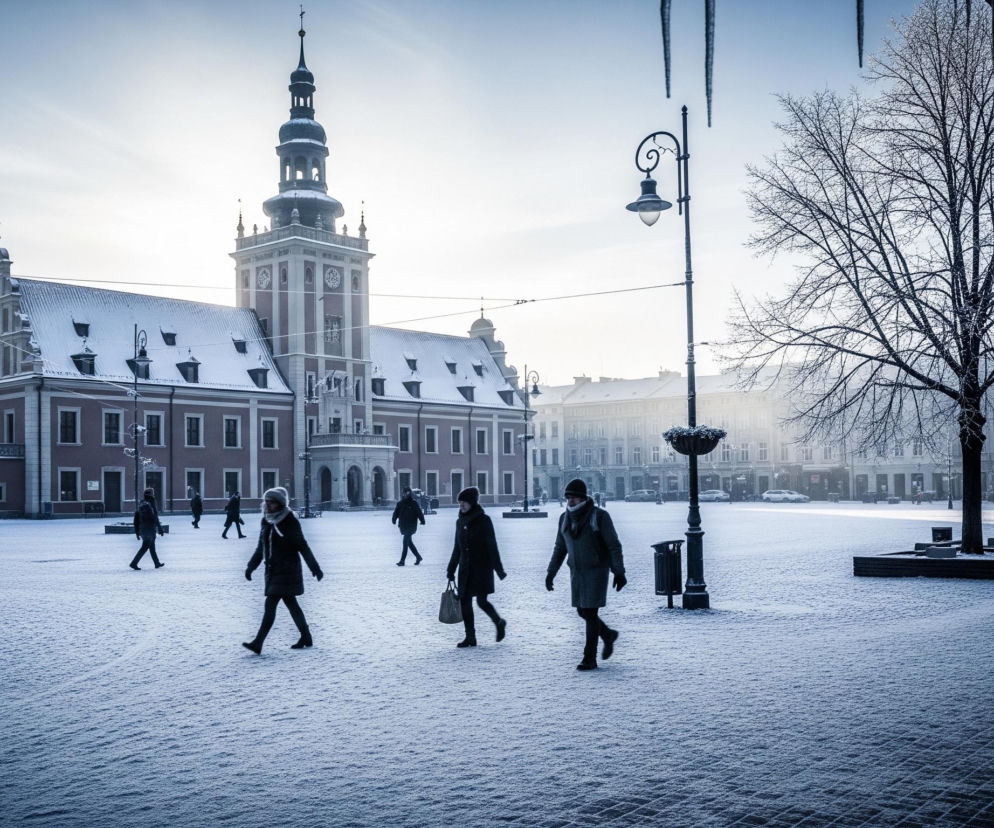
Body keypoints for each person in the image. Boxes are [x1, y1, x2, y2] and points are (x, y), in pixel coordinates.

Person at [546, 478, 626, 671]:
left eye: (574, 498)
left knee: (590, 612)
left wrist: (619, 572)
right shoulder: (564, 518)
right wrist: (551, 573)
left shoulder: (599, 516)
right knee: (582, 610)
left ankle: (589, 658)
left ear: (583, 498)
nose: (570, 502)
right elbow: (560, 547)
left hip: (596, 569)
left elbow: (613, 545)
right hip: (577, 571)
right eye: (568, 498)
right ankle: (607, 634)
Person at [242, 487, 323, 654]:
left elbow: (302, 545)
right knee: (291, 604)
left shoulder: (289, 521)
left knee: (270, 605)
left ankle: (258, 642)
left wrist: (315, 567)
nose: (268, 505)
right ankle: (306, 637)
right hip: (272, 570)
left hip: (288, 569)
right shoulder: (266, 520)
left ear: (280, 504)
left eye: (271, 502)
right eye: (267, 502)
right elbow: (261, 548)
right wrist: (251, 567)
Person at [446, 486, 507, 648]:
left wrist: (499, 569)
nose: (462, 506)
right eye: (460, 503)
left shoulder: (484, 520)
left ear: (472, 502)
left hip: (482, 568)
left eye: (464, 502)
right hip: (465, 569)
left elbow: (492, 545)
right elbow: (457, 548)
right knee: (465, 602)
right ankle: (470, 637)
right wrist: (451, 569)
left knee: (481, 601)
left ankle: (499, 622)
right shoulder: (459, 522)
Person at [130, 487, 165, 570]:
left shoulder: (141, 504)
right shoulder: (151, 504)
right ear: (151, 494)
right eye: (153, 493)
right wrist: (160, 528)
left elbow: (136, 519)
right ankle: (133, 563)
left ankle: (156, 563)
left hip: (143, 529)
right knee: (145, 547)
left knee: (152, 546)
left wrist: (137, 532)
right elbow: (154, 517)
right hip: (149, 529)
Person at [391, 486, 425, 566]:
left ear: (410, 493)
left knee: (405, 542)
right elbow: (396, 512)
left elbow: (419, 512)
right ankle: (418, 557)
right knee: (409, 543)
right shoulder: (400, 503)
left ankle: (402, 561)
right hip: (403, 525)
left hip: (411, 525)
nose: (406, 494)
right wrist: (394, 519)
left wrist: (422, 520)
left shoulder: (413, 503)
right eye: (404, 492)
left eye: (407, 492)